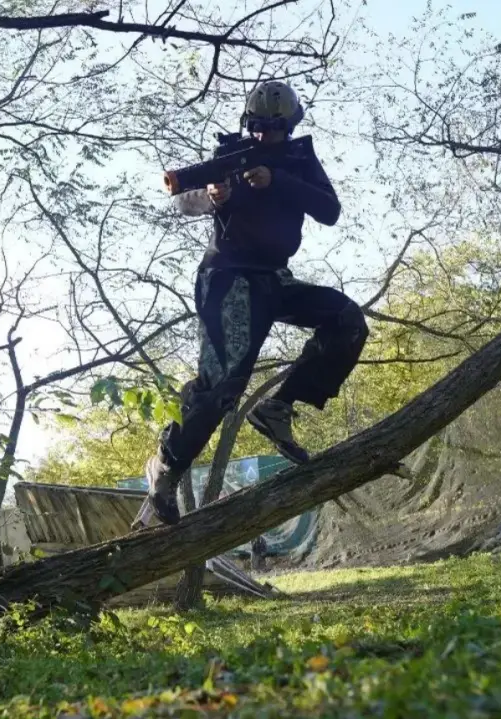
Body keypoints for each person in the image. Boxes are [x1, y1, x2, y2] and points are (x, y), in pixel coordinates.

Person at [140, 80, 370, 527]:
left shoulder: (299, 161)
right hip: (227, 277)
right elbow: (184, 199)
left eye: (274, 128)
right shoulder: (230, 156)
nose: (265, 135)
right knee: (222, 387)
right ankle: (167, 466)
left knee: (346, 320)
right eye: (258, 127)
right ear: (249, 124)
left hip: (273, 278)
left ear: (290, 126)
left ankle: (278, 408)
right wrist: (212, 197)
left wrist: (277, 180)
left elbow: (329, 210)